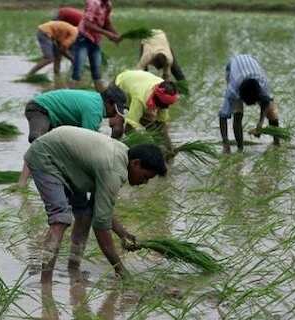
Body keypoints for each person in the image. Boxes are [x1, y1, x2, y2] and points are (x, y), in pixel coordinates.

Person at [23, 126, 167, 282]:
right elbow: (101, 225)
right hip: (45, 156)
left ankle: (73, 268)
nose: (144, 182)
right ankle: (45, 283)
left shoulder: (123, 156)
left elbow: (102, 209)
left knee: (85, 215)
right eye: (145, 177)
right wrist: (120, 270)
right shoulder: (114, 170)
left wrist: (123, 234)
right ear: (136, 163)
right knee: (60, 219)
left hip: (68, 161)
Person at [18, 86, 128, 187]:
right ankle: (22, 184)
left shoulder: (96, 101)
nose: (115, 113)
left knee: (48, 149)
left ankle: (39, 179)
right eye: (115, 109)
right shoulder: (94, 110)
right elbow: (87, 144)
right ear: (108, 103)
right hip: (40, 108)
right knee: (38, 142)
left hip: (54, 116)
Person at [219, 54, 281, 153]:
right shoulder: (233, 91)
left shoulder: (263, 85)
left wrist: (259, 127)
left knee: (271, 112)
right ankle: (240, 148)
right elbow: (223, 116)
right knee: (237, 114)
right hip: (232, 66)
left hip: (252, 61)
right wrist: (225, 143)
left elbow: (266, 103)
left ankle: (277, 142)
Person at [115, 69, 179, 157]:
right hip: (120, 85)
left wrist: (170, 148)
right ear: (155, 99)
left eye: (164, 106)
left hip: (138, 83)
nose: (162, 109)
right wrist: (146, 146)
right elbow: (128, 128)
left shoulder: (165, 92)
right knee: (118, 128)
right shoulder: (140, 98)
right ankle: (114, 150)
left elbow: (161, 126)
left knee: (152, 127)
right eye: (160, 106)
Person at [72, 0, 120, 91]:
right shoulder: (93, 3)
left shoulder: (108, 5)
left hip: (95, 41)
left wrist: (115, 34)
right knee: (77, 71)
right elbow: (87, 24)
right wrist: (107, 34)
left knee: (97, 73)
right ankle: (69, 97)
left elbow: (106, 23)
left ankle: (102, 99)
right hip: (83, 39)